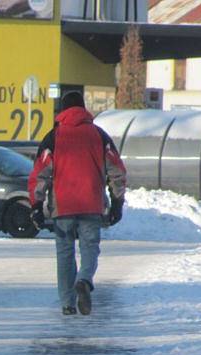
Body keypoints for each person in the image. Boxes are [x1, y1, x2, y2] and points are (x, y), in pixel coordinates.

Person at [28, 90, 126, 316]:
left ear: (62, 110)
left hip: (63, 206)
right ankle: (84, 279)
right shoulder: (99, 135)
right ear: (83, 108)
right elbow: (116, 170)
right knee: (90, 247)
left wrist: (36, 203)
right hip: (91, 203)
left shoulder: (53, 137)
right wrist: (117, 200)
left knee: (64, 253)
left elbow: (40, 173)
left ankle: (67, 304)